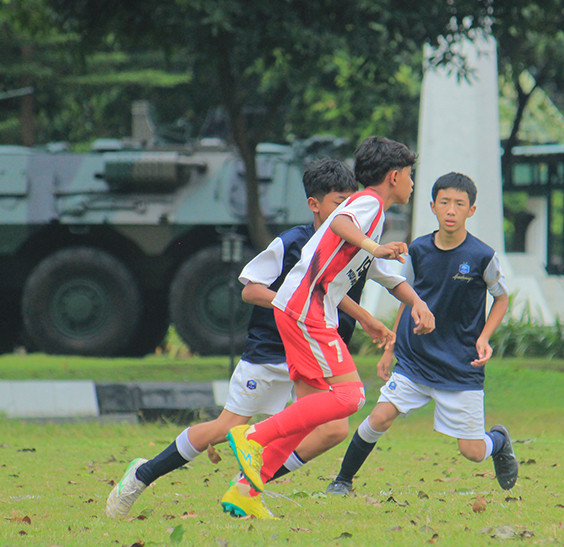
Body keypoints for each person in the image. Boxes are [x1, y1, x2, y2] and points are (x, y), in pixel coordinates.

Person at [105, 158, 399, 519]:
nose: (349, 209)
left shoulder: (350, 245)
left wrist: (368, 319)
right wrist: (290, 305)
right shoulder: (294, 241)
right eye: (340, 202)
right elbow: (250, 289)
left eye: (351, 202)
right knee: (227, 428)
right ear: (315, 204)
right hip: (270, 351)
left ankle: (248, 487)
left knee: (333, 429)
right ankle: (142, 474)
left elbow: (331, 292)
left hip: (311, 348)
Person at [226, 136, 435, 512]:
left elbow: (386, 274)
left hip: (301, 308)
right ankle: (253, 436)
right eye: (409, 174)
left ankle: (245, 492)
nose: (412, 183)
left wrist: (417, 303)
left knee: (311, 420)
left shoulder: (372, 211)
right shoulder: (367, 203)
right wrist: (375, 247)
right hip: (309, 311)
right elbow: (340, 223)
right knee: (351, 397)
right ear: (393, 176)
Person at [325, 172, 517, 495]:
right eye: (444, 202)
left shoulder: (482, 256)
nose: (451, 210)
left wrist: (484, 338)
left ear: (471, 210)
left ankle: (498, 442)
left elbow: (501, 297)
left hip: (461, 365)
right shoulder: (419, 250)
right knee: (380, 417)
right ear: (432, 206)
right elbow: (407, 297)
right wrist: (391, 349)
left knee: (471, 452)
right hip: (416, 360)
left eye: (459, 204)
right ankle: (342, 480)